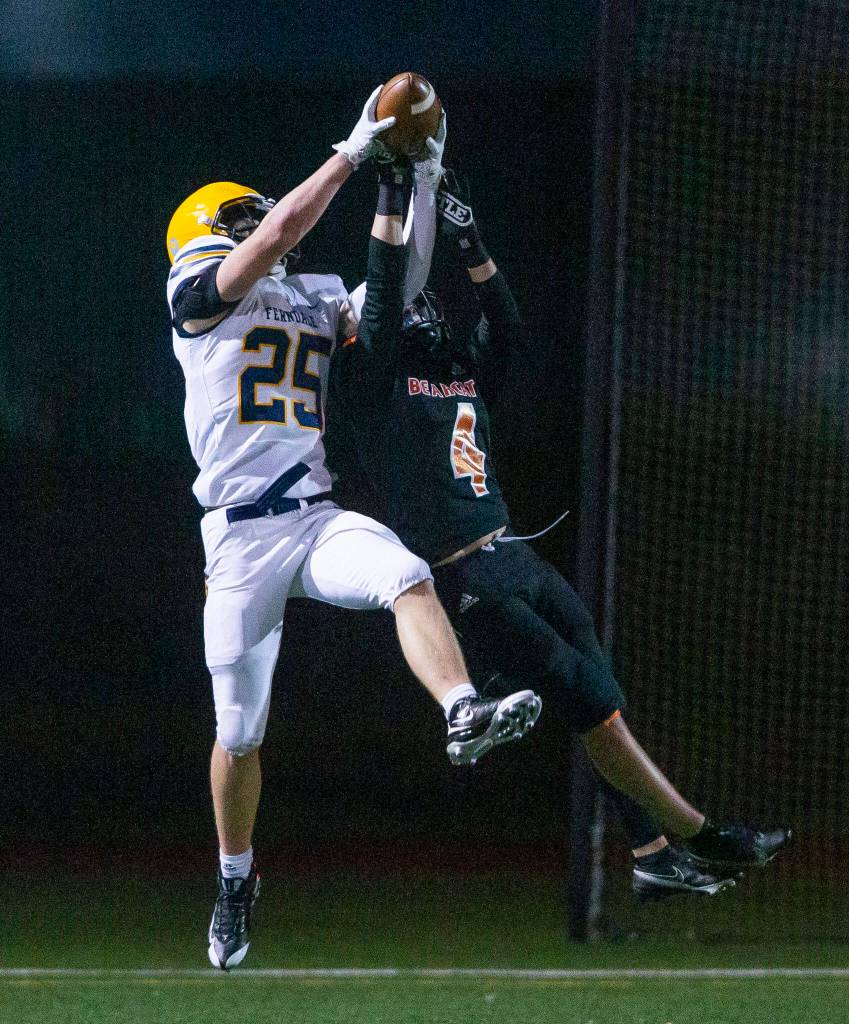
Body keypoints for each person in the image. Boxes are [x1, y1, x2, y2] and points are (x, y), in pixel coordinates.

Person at [326, 163, 791, 903]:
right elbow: (383, 296)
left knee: (599, 695)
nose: (424, 310)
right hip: (464, 576)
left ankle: (650, 853)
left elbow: (507, 326)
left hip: (514, 552)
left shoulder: (454, 367)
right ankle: (700, 834)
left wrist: (471, 243)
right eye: (406, 307)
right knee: (588, 696)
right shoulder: (368, 380)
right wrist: (392, 192)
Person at [164, 94, 542, 971]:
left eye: (258, 214)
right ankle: (234, 878)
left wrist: (421, 180)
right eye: (243, 216)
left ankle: (462, 711)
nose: (263, 223)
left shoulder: (315, 294)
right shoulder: (193, 295)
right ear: (208, 230)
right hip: (238, 541)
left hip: (313, 514)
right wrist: (351, 151)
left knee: (405, 574)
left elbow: (398, 285)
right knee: (240, 733)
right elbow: (273, 234)